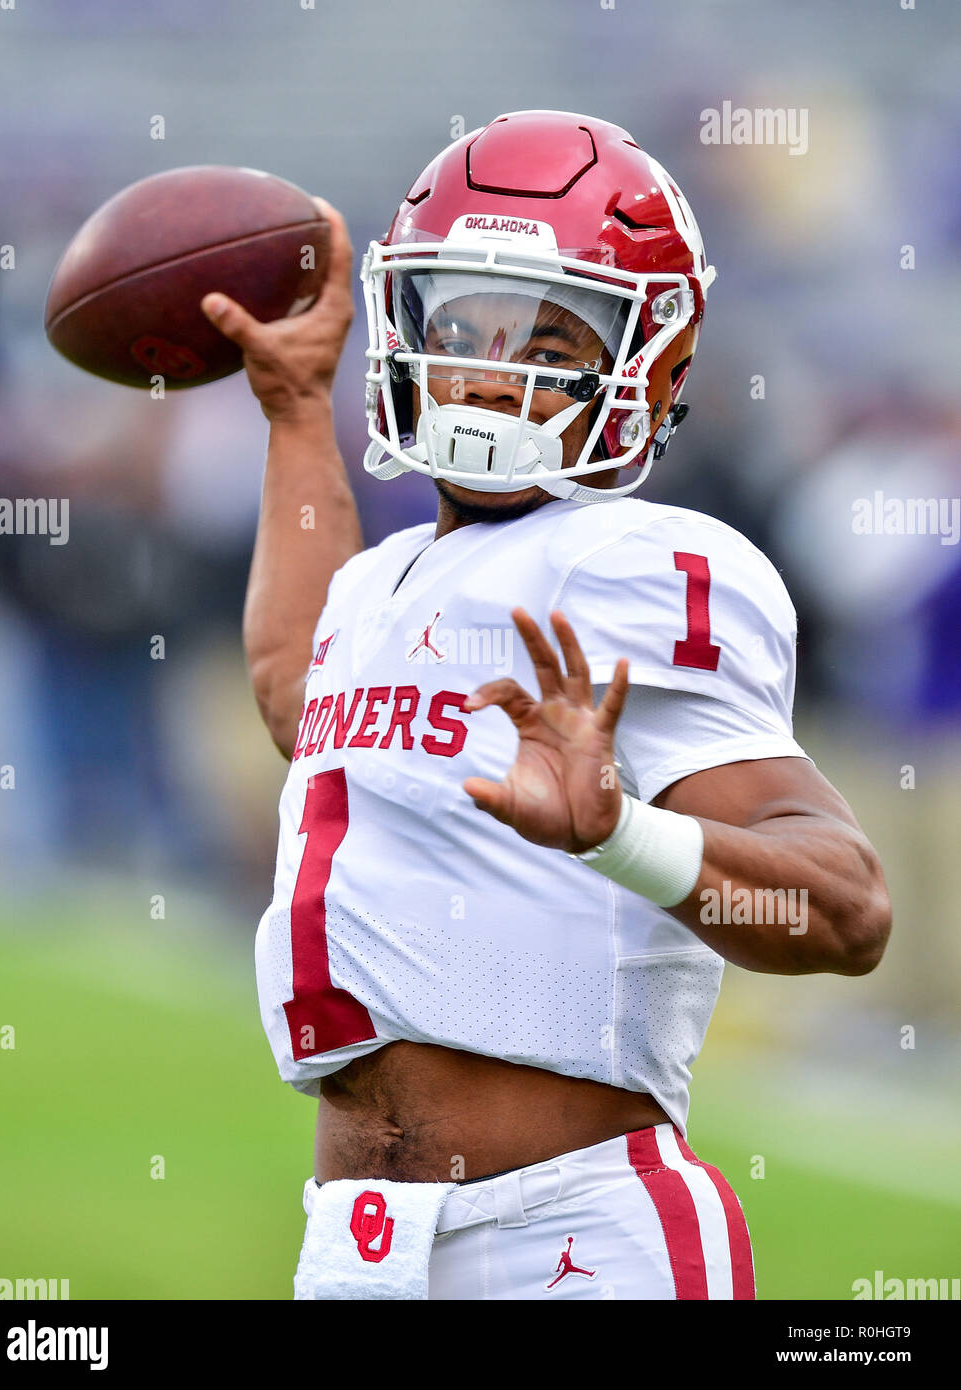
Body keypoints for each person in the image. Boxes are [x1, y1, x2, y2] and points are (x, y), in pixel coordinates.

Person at [201, 110, 891, 1300]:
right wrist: (295, 410)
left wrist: (620, 828)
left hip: (565, 1239)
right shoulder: (383, 576)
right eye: (458, 321)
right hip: (357, 1244)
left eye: (544, 332)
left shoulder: (638, 562)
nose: (485, 364)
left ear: (651, 359)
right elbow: (298, 694)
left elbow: (845, 907)